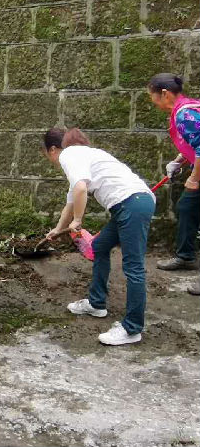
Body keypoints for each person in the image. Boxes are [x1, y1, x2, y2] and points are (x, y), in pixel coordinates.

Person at [42, 128, 155, 346]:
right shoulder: (84, 158)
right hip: (130, 204)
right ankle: (96, 304)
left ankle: (132, 328)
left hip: (131, 204)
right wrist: (57, 229)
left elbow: (81, 190)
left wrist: (77, 220)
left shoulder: (68, 155)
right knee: (100, 246)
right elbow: (72, 201)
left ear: (53, 149)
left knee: (134, 267)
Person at [147, 73, 200, 294]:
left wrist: (194, 178)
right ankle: (185, 256)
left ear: (164, 94)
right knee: (187, 207)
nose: (152, 101)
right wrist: (178, 161)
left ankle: (185, 256)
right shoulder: (185, 108)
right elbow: (193, 142)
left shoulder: (185, 114)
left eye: (152, 96)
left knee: (188, 205)